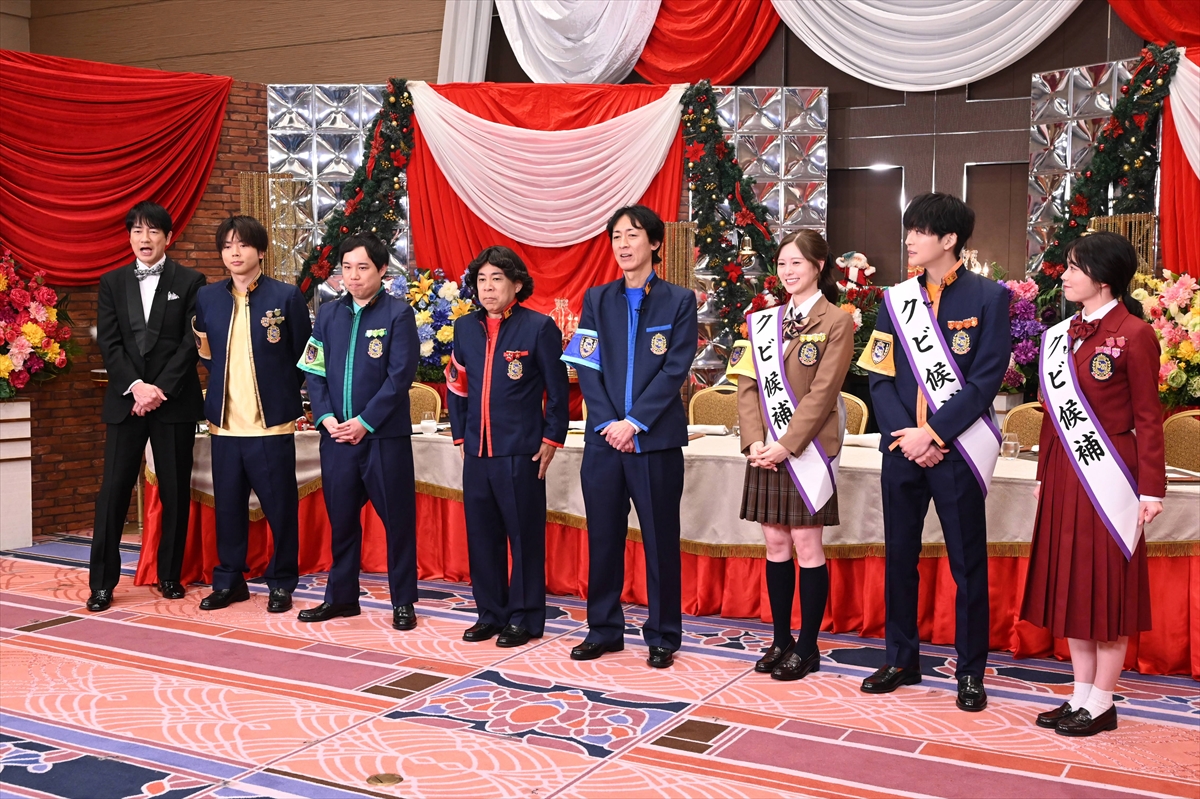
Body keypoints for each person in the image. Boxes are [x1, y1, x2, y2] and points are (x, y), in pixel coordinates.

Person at [858, 193, 1010, 711]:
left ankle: (970, 672)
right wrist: (907, 435)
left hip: (957, 451)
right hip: (902, 450)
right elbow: (878, 374)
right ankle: (901, 659)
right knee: (899, 558)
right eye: (910, 230)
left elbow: (985, 381)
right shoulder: (895, 299)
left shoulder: (989, 298)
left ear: (949, 239)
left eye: (920, 231)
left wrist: (935, 434)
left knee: (967, 565)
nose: (909, 240)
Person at [1020, 232, 1164, 737]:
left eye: (1074, 268)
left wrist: (1151, 489)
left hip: (1112, 476)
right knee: (1074, 587)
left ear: (1102, 277)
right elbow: (1052, 417)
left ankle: (1103, 702)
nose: (1064, 276)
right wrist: (1044, 476)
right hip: (1065, 472)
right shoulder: (1061, 334)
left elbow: (1149, 417)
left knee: (1107, 590)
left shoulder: (1135, 334)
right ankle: (1080, 695)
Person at [561, 205, 698, 669]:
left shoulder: (679, 301)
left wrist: (634, 422)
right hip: (604, 442)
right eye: (616, 236)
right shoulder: (597, 298)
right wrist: (607, 422)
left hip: (655, 442)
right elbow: (585, 362)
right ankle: (603, 629)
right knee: (603, 537)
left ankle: (663, 634)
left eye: (633, 235)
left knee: (660, 540)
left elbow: (674, 368)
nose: (623, 244)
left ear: (655, 243)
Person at [725, 230, 853, 681]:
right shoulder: (762, 320)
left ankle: (808, 646)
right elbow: (746, 386)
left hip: (807, 450)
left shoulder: (837, 320)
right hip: (766, 449)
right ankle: (780, 640)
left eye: (797, 262)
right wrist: (754, 442)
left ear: (818, 266)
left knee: (806, 545)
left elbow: (823, 393)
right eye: (782, 263)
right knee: (775, 543)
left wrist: (787, 444)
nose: (788, 271)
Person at [445, 246, 570, 647]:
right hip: (477, 452)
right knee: (482, 538)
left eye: (496, 279)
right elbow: (456, 387)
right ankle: (490, 613)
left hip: (520, 451)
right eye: (481, 280)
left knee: (524, 538)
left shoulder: (539, 328)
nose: (487, 288)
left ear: (517, 284)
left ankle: (525, 618)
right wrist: (461, 435)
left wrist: (551, 438)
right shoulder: (465, 328)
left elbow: (558, 390)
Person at [295, 233, 420, 630]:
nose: (353, 276)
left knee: (397, 523)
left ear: (382, 270)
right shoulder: (329, 314)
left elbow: (399, 378)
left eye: (362, 267)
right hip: (337, 439)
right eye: (347, 267)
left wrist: (365, 422)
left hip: (383, 439)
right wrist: (325, 417)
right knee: (342, 522)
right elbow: (313, 369)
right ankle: (342, 598)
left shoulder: (398, 314)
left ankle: (404, 602)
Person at [87, 202, 206, 612]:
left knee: (175, 490)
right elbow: (110, 342)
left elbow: (191, 342)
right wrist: (137, 387)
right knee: (113, 493)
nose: (145, 238)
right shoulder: (111, 281)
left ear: (168, 237)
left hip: (173, 402)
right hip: (127, 401)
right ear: (129, 237)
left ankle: (170, 574)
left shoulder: (191, 281)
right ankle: (102, 584)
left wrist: (159, 389)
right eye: (137, 230)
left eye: (153, 231)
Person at [192, 216, 311, 613]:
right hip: (224, 425)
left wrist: (280, 393)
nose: (235, 252)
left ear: (260, 251)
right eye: (227, 246)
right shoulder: (208, 297)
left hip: (271, 424)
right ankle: (229, 581)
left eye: (242, 244)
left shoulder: (286, 296)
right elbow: (205, 352)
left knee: (280, 508)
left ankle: (282, 581)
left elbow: (303, 357)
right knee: (228, 509)